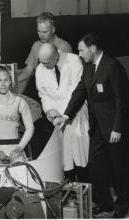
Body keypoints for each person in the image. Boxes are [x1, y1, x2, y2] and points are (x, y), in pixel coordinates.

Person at [54, 32, 129, 218]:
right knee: (96, 168)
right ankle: (105, 203)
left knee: (119, 170)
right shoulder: (88, 68)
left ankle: (122, 206)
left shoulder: (112, 66)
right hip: (97, 129)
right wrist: (65, 115)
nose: (79, 54)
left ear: (93, 48)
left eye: (81, 50)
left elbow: (123, 101)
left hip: (114, 130)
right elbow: (79, 93)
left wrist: (117, 128)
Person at [35, 43, 89, 182]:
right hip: (57, 121)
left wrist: (64, 114)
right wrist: (49, 110)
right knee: (64, 161)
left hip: (76, 115)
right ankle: (70, 194)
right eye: (42, 62)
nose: (44, 66)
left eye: (47, 62)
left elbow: (77, 92)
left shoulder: (74, 61)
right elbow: (43, 94)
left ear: (55, 56)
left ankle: (88, 192)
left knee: (82, 157)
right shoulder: (40, 69)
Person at [18, 12, 72, 94]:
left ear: (53, 29)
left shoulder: (64, 47)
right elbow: (28, 70)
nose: (41, 35)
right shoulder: (36, 46)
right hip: (42, 92)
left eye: (45, 32)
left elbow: (69, 77)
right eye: (38, 31)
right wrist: (12, 80)